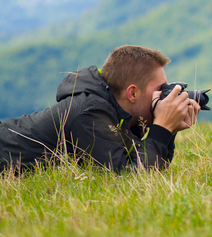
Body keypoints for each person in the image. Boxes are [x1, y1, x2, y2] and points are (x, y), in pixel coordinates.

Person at [0, 45, 199, 172]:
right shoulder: (89, 113)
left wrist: (168, 130)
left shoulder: (117, 115)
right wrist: (162, 128)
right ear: (132, 93)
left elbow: (145, 165)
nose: (163, 96)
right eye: (159, 90)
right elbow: (127, 178)